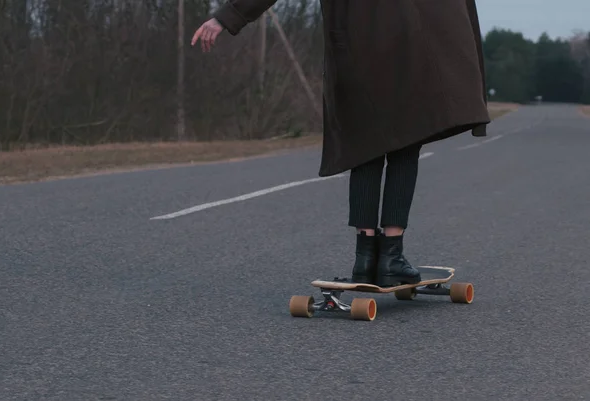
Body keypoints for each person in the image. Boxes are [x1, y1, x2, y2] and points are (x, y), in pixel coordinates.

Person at [192, 0, 490, 287]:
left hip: (356, 50)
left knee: (363, 147)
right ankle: (391, 257)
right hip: (408, 46)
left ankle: (364, 258)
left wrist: (227, 17)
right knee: (405, 146)